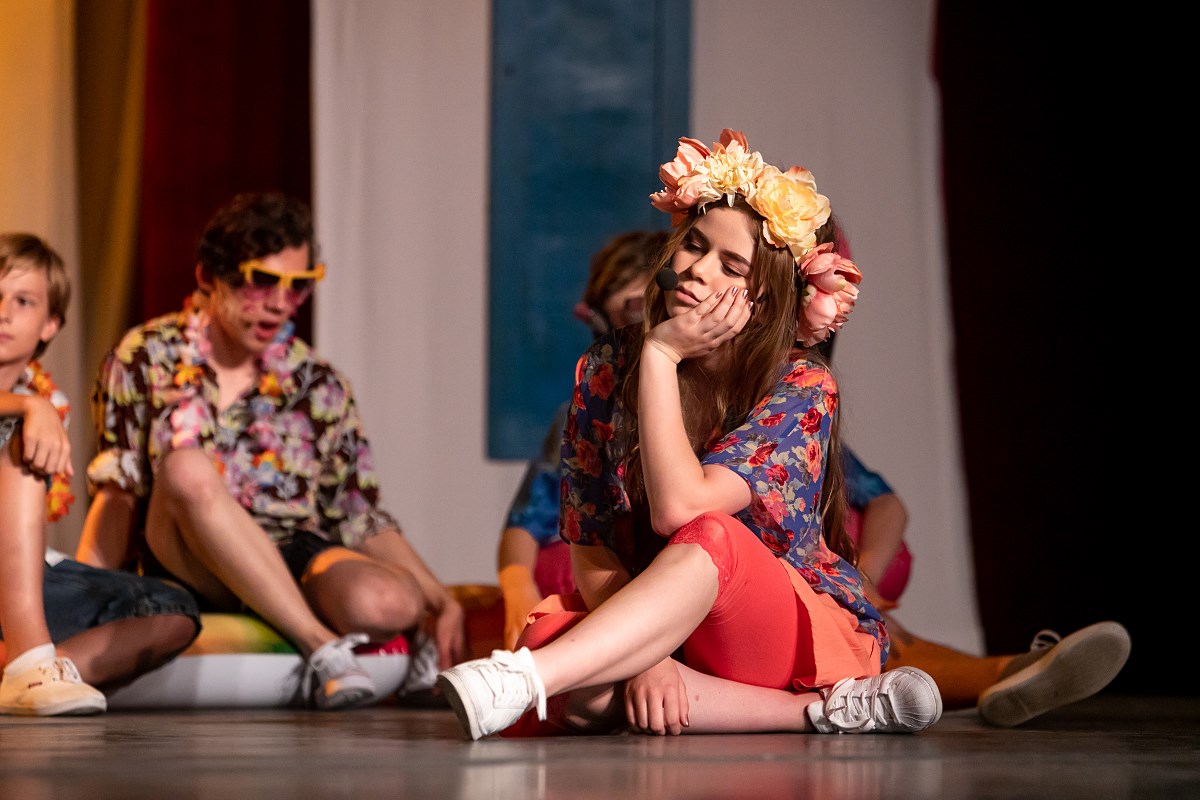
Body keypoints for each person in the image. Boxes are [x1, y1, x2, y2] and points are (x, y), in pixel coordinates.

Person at [438, 129, 943, 739]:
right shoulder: (604, 369)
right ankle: (820, 711)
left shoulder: (803, 386)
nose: (695, 271)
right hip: (667, 626)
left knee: (711, 534)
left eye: (730, 266)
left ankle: (518, 681)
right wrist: (648, 657)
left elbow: (680, 510)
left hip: (767, 632)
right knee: (560, 649)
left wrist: (660, 356)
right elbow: (591, 545)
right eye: (695, 246)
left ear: (765, 300)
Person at [75, 192, 465, 710]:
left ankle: (287, 608)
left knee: (389, 602)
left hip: (289, 550)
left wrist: (440, 599)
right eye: (262, 280)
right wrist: (87, 593)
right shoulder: (146, 355)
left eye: (298, 286)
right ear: (208, 277)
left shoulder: (318, 383)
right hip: (186, 552)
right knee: (186, 466)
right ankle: (318, 643)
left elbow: (357, 512)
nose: (281, 303)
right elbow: (118, 491)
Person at [0, 232, 200, 716]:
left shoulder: (48, 402)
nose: (3, 312)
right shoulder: (36, 410)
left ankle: (41, 672)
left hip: (17, 575)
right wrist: (28, 408)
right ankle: (28, 661)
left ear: (50, 324)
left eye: (23, 301)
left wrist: (37, 406)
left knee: (171, 610)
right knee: (26, 444)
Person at [838, 442, 1131, 727]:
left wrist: (862, 576)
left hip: (854, 574)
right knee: (873, 634)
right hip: (821, 584)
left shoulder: (819, 430)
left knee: (878, 632)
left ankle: (1006, 674)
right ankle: (1005, 675)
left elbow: (888, 504)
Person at [498, 229, 668, 650]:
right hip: (604, 580)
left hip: (679, 578)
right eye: (627, 314)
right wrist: (518, 589)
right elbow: (525, 523)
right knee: (560, 565)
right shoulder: (583, 410)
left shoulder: (720, 401)